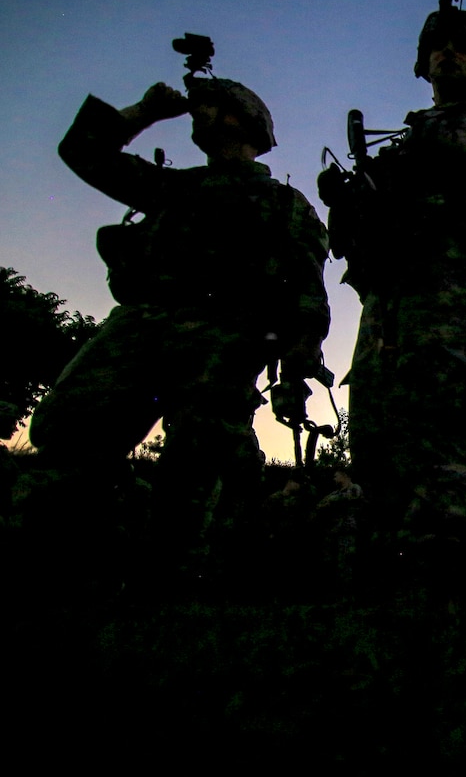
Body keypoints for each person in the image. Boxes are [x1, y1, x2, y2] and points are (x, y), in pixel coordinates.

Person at [23, 64, 329, 577]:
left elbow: (307, 289)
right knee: (70, 428)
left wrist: (299, 356)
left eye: (210, 104)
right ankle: (62, 558)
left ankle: (176, 572)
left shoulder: (283, 203)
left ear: (242, 119)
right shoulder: (171, 187)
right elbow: (85, 152)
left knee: (198, 454)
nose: (197, 113)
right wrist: (144, 112)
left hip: (228, 331)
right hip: (142, 324)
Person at [318, 0, 466, 547]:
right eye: (437, 47)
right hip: (390, 300)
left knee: (445, 424)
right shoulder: (405, 139)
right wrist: (352, 202)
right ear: (423, 62)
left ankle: (447, 554)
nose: (448, 54)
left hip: (460, 293)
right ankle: (387, 553)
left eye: (461, 47)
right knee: (377, 424)